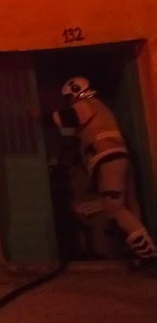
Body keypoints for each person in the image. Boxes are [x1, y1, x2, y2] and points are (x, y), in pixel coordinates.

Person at [53, 76, 157, 265]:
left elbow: (65, 118)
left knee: (113, 207)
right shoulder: (99, 108)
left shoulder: (86, 104)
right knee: (129, 207)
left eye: (68, 98)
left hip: (108, 160)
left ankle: (149, 255)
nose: (69, 102)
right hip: (119, 159)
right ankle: (139, 254)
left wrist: (41, 115)